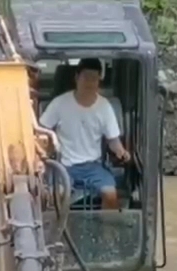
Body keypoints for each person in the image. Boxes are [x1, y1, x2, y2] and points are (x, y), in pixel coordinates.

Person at [41, 58, 130, 209]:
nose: (89, 83)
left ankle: (107, 231)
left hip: (93, 167)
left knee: (110, 194)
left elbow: (113, 140)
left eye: (94, 79)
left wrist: (121, 151)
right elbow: (41, 131)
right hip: (64, 165)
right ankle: (61, 231)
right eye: (86, 78)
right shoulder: (59, 103)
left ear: (99, 81)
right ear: (77, 78)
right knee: (58, 195)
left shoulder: (104, 107)